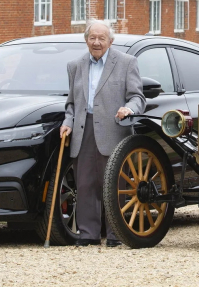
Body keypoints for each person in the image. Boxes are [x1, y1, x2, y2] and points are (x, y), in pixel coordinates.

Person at [59, 20, 145, 247]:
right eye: (92, 38)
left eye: (101, 38)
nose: (96, 42)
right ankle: (88, 234)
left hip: (115, 128)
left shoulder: (127, 63)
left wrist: (129, 109)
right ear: (86, 39)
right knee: (85, 183)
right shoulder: (75, 65)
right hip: (83, 128)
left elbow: (138, 97)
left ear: (111, 41)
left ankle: (116, 234)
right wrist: (68, 121)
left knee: (116, 183)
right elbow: (71, 103)